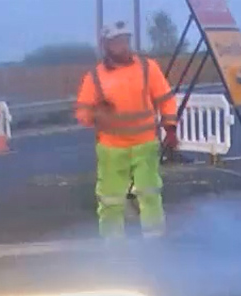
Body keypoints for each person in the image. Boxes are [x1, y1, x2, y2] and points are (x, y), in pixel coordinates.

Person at [75, 22, 180, 240]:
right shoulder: (95, 77)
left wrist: (170, 129)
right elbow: (82, 113)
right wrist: (96, 113)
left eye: (125, 41)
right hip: (112, 148)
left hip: (145, 144)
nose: (123, 46)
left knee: (150, 194)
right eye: (117, 42)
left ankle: (155, 242)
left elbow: (165, 99)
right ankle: (114, 248)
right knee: (111, 200)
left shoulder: (146, 67)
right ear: (106, 46)